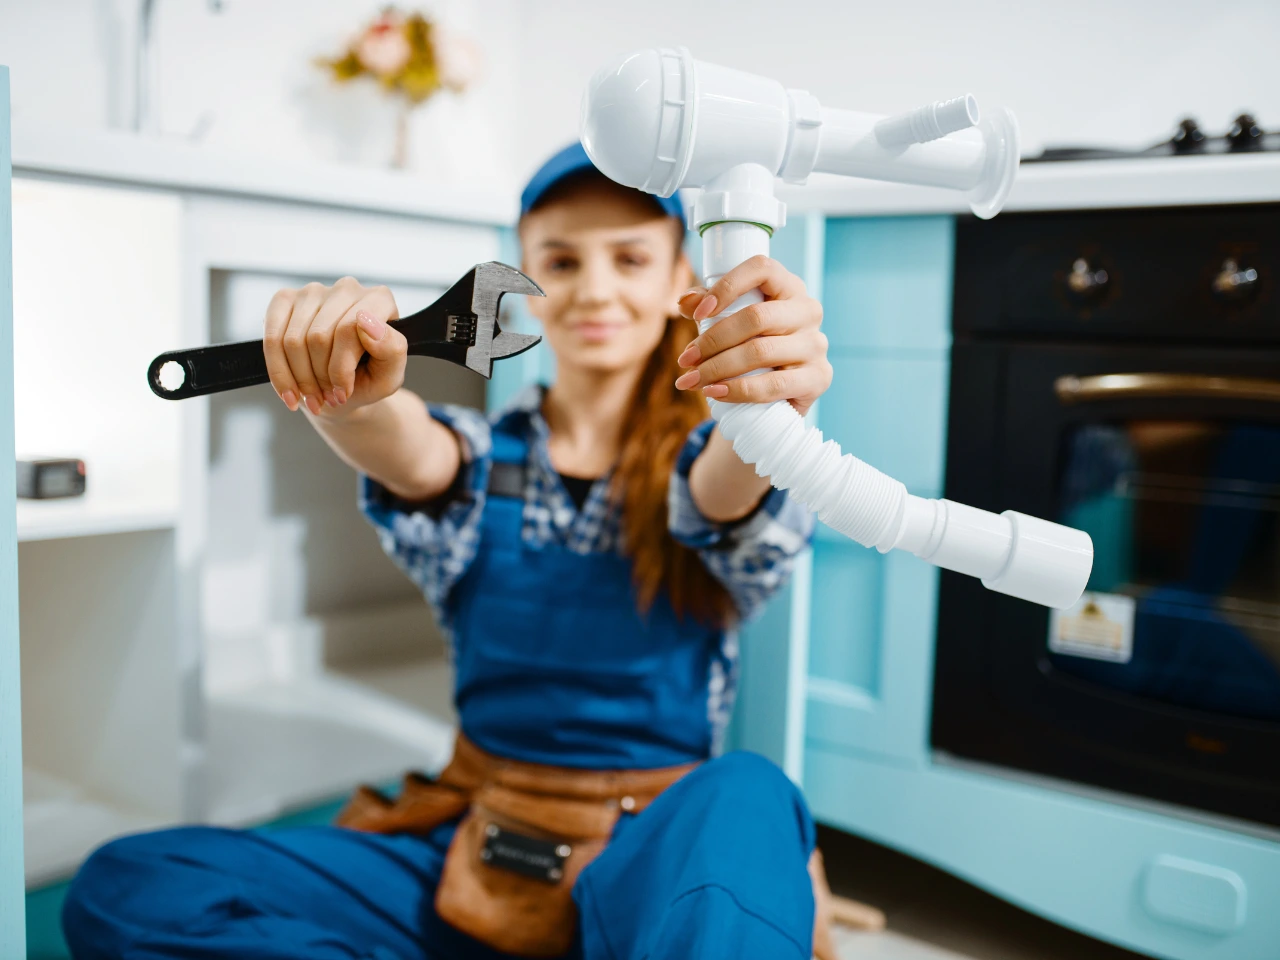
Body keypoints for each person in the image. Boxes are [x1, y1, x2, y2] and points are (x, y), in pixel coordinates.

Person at [62, 143, 836, 960]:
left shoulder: (716, 458)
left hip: (658, 861)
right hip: (478, 839)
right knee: (132, 885)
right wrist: (352, 401)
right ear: (525, 274)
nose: (596, 288)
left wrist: (768, 412)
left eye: (631, 258)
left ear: (681, 272)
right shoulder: (480, 461)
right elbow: (414, 450)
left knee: (749, 796)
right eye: (562, 260)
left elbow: (721, 489)